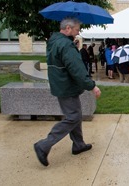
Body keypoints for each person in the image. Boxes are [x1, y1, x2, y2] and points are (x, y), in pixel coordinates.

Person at [33, 17, 101, 167]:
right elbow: (76, 69)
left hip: (61, 85)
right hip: (67, 87)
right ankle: (44, 145)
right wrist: (92, 86)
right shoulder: (66, 45)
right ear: (68, 28)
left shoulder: (54, 41)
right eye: (77, 30)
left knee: (75, 115)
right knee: (73, 117)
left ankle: (78, 144)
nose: (78, 33)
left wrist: (72, 46)